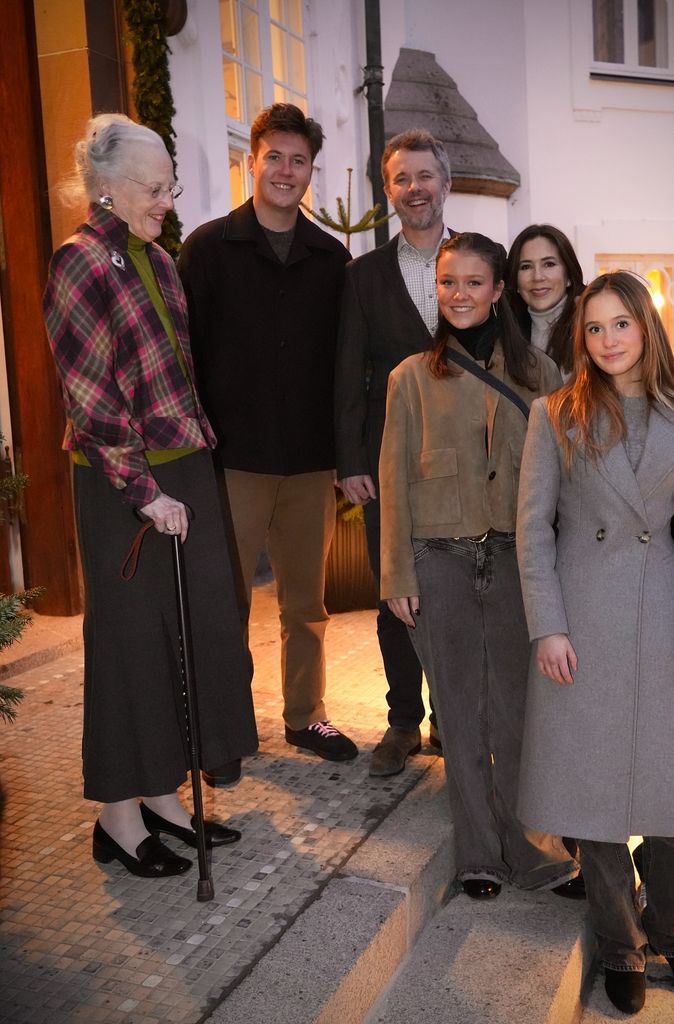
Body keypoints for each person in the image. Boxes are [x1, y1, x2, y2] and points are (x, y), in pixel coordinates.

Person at [42, 114, 258, 877]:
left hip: (185, 465)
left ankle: (164, 795)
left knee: (193, 632)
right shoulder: (81, 263)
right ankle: (117, 815)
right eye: (153, 186)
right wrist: (141, 490)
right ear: (104, 186)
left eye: (170, 184)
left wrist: (190, 463)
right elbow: (91, 397)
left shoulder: (158, 262)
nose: (167, 198)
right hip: (119, 482)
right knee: (130, 643)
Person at [516, 271, 674, 1014]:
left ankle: (672, 933)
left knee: (673, 796)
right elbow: (531, 529)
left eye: (620, 325)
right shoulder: (554, 414)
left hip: (664, 618)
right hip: (582, 618)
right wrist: (548, 624)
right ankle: (618, 946)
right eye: (593, 329)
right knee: (595, 797)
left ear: (646, 328)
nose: (606, 341)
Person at [379, 231, 574, 899]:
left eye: (472, 282)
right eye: (447, 282)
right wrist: (395, 575)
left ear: (498, 290)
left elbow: (563, 485)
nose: (458, 294)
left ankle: (535, 851)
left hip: (519, 562)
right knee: (458, 713)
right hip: (438, 561)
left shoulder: (542, 378)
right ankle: (478, 855)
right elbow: (394, 477)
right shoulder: (408, 377)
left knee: (520, 712)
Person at [178, 103, 357, 770]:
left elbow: (345, 362)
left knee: (306, 604)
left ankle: (306, 716)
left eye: (298, 160)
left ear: (311, 170)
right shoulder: (208, 248)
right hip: (234, 460)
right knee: (222, 603)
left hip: (310, 461)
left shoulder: (330, 259)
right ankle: (222, 729)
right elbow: (184, 353)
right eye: (273, 157)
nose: (286, 170)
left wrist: (346, 454)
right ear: (251, 162)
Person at [335, 129, 454, 777]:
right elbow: (348, 370)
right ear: (389, 192)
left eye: (425, 175)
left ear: (445, 182)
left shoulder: (473, 262)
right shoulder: (362, 276)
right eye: (402, 179)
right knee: (394, 594)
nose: (415, 188)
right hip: (386, 460)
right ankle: (403, 721)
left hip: (464, 460)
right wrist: (349, 459)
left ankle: (452, 717)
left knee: (459, 587)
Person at [504, 224, 585, 375]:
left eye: (549, 264)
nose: (538, 277)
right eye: (526, 267)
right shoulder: (505, 334)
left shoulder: (588, 326)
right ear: (515, 281)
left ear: (568, 276)